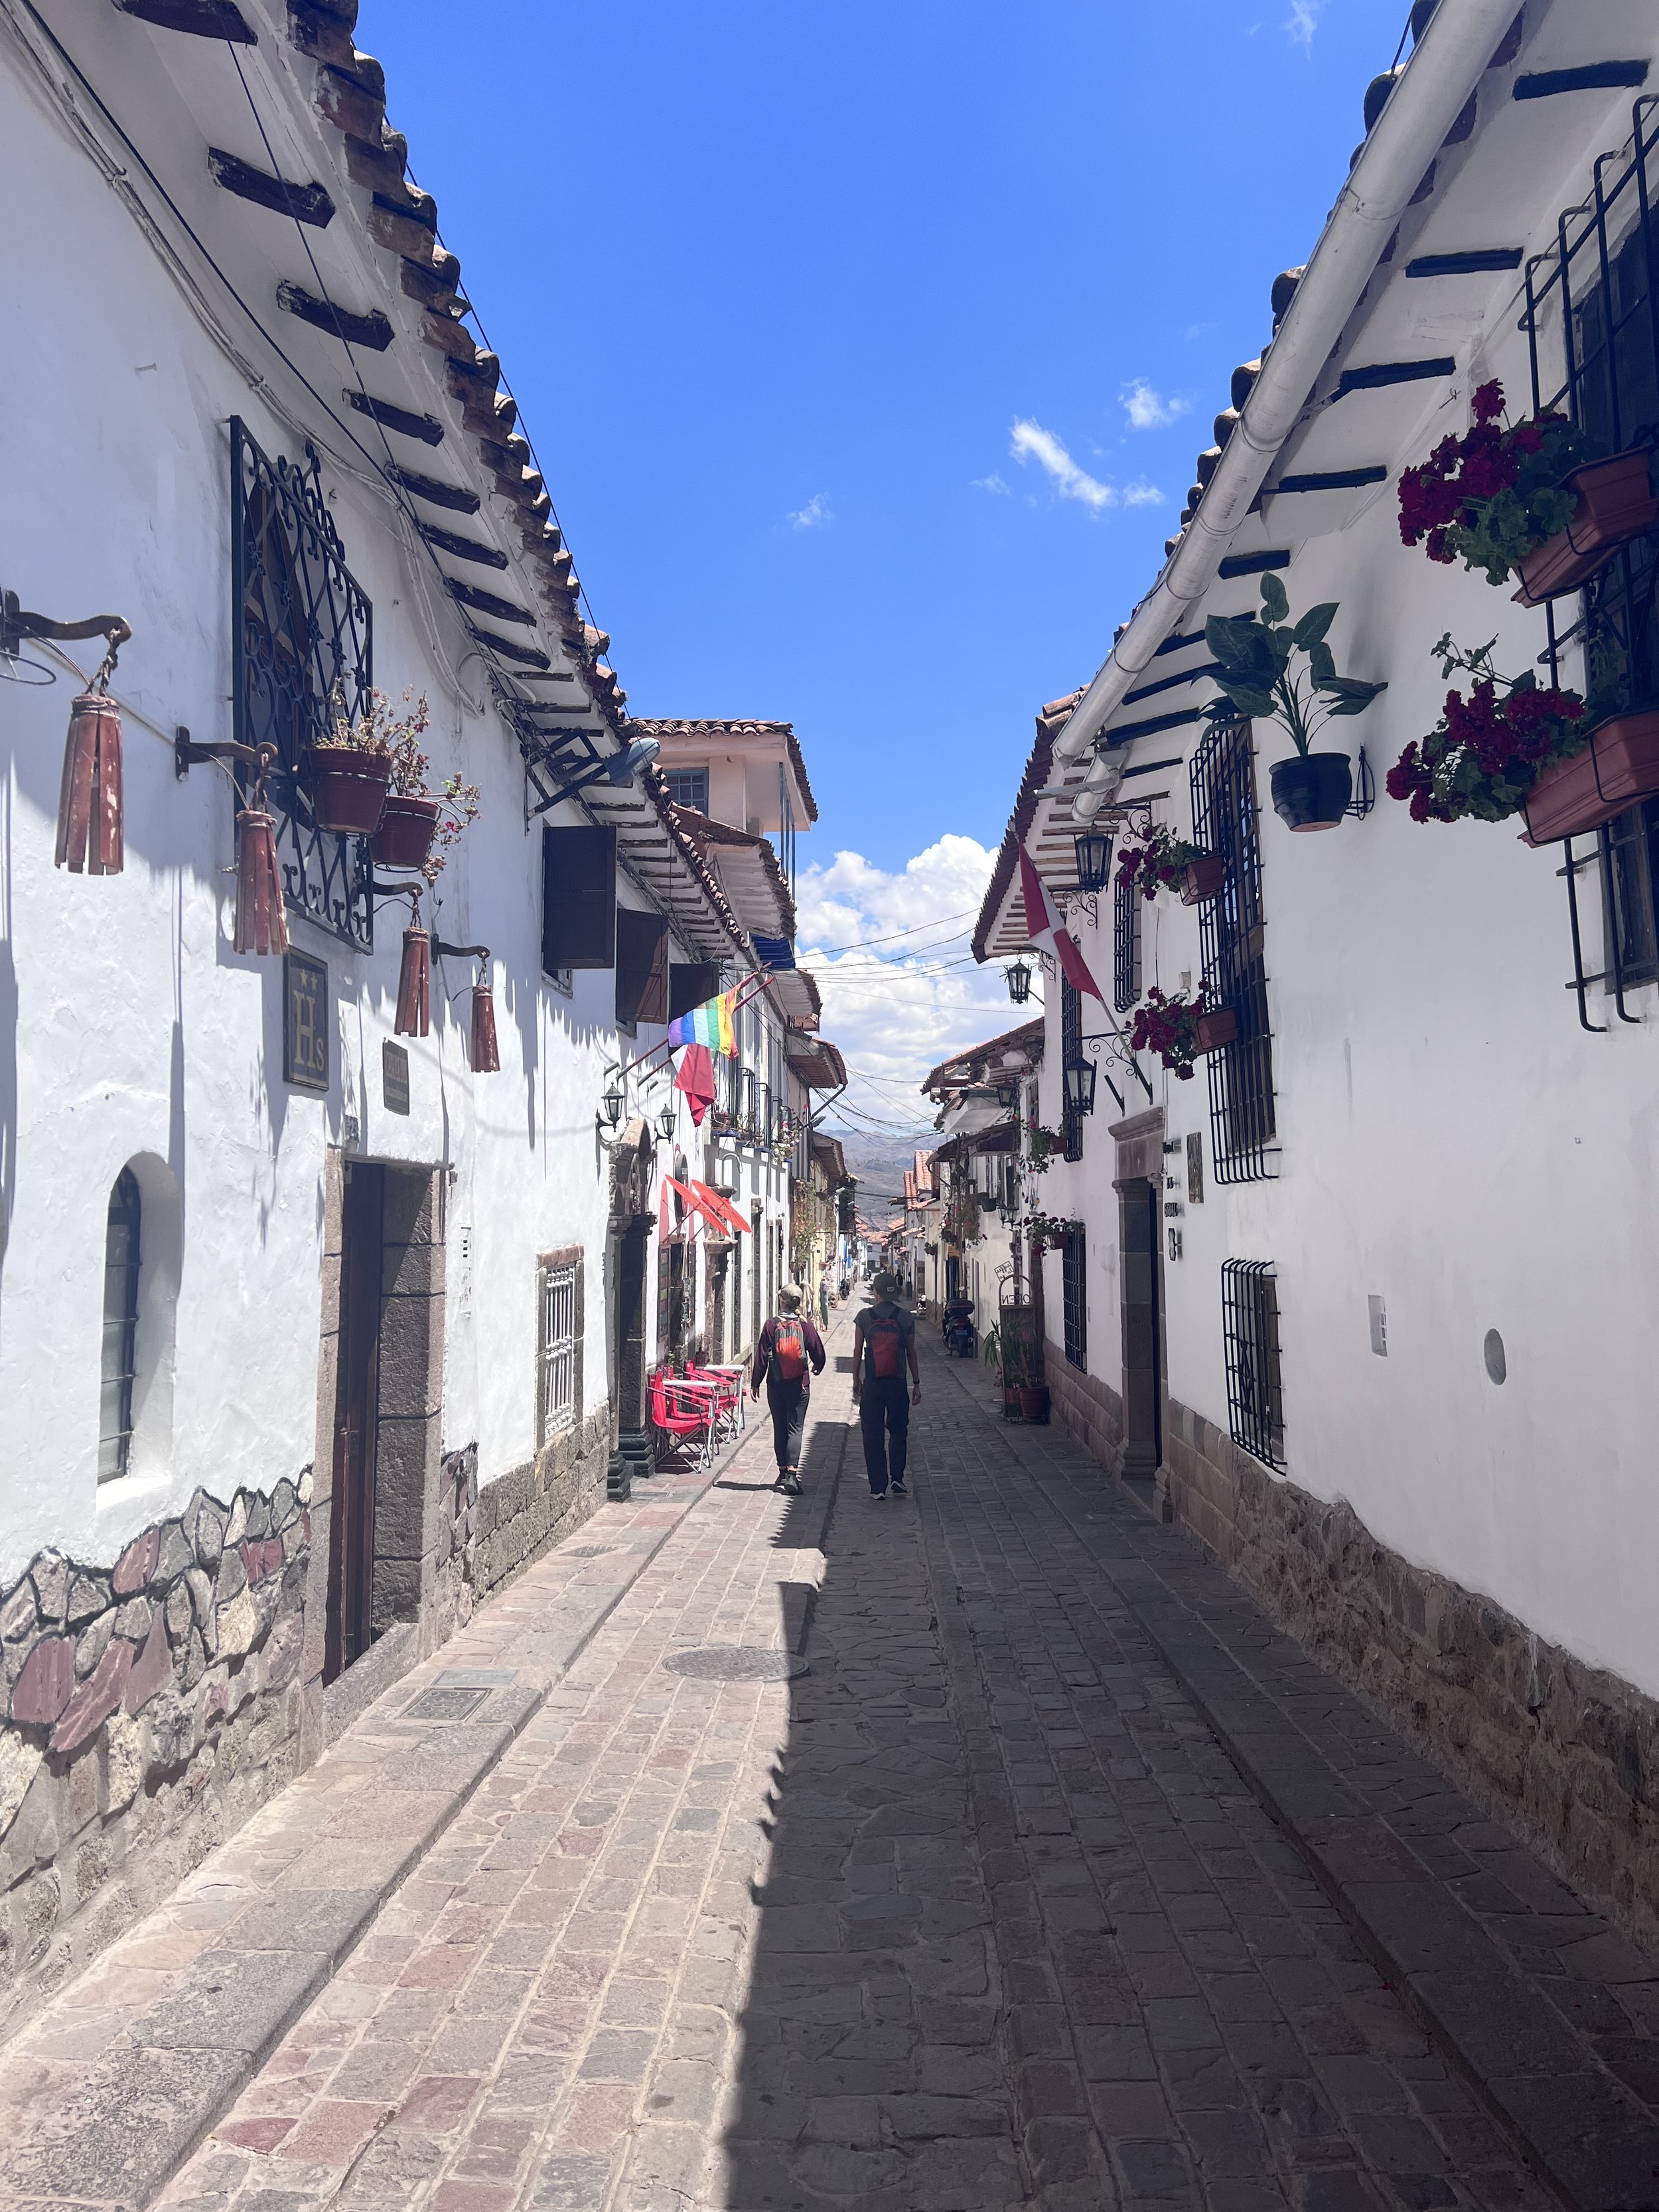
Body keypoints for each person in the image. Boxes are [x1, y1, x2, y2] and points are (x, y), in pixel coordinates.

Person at [851, 1271, 920, 1501]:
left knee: (872, 1433)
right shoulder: (906, 1318)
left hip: (873, 1384)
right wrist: (916, 1384)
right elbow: (911, 1353)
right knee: (899, 1431)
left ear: (876, 1293)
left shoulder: (864, 1316)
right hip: (898, 1384)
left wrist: (856, 1380)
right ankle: (898, 1479)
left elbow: (857, 1352)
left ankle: (877, 1487)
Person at [751, 1285, 826, 1495]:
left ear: (781, 1301)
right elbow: (818, 1350)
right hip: (799, 1385)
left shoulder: (771, 1325)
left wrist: (756, 1382)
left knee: (780, 1427)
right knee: (795, 1428)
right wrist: (818, 1365)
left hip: (776, 1385)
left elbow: (762, 1357)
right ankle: (792, 1474)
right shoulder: (805, 1325)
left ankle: (783, 1471)